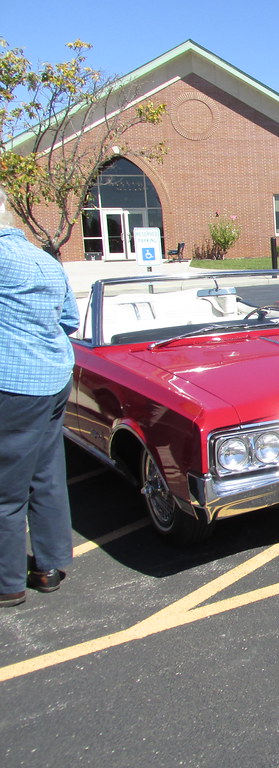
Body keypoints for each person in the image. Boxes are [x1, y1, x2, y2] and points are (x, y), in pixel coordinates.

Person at [0, 187, 79, 608]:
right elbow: (69, 319)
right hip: (53, 378)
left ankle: (7, 582)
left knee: (5, 489)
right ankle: (50, 565)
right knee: (46, 474)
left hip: (12, 384)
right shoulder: (45, 260)